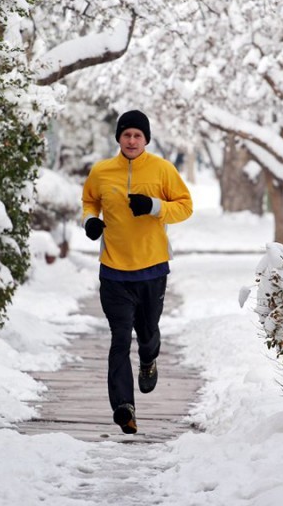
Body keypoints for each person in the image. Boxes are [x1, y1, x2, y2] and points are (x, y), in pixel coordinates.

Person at [81, 110, 193, 434]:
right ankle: (123, 407)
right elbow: (90, 201)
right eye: (127, 135)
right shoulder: (101, 171)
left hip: (152, 269)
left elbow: (185, 206)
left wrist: (155, 207)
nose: (132, 141)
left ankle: (148, 359)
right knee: (119, 340)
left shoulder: (162, 169)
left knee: (147, 333)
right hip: (114, 271)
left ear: (146, 139)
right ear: (119, 137)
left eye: (138, 136)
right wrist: (90, 222)